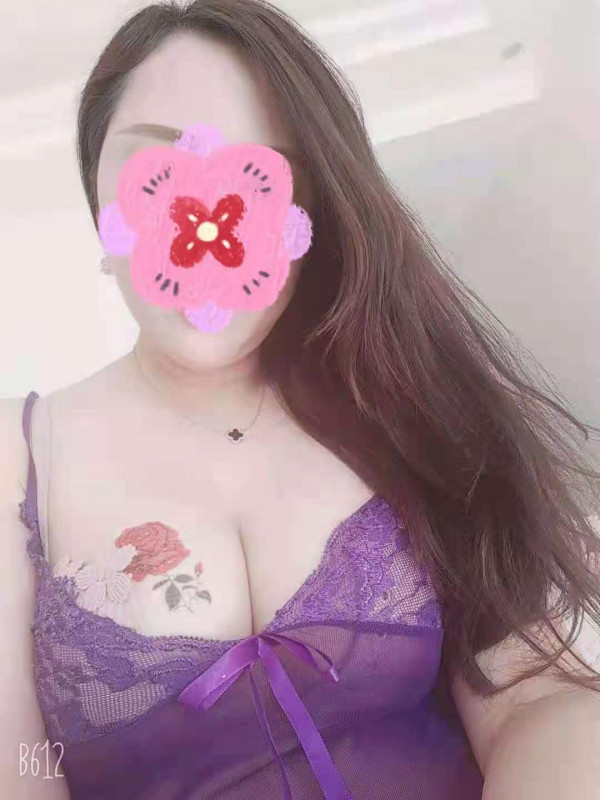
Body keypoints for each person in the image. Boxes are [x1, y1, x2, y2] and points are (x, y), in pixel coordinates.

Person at [2, 1, 600, 798]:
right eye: (160, 171)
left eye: (259, 178)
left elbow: (533, 696)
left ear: (309, 214)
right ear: (98, 200)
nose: (208, 220)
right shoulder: (20, 458)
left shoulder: (393, 398)